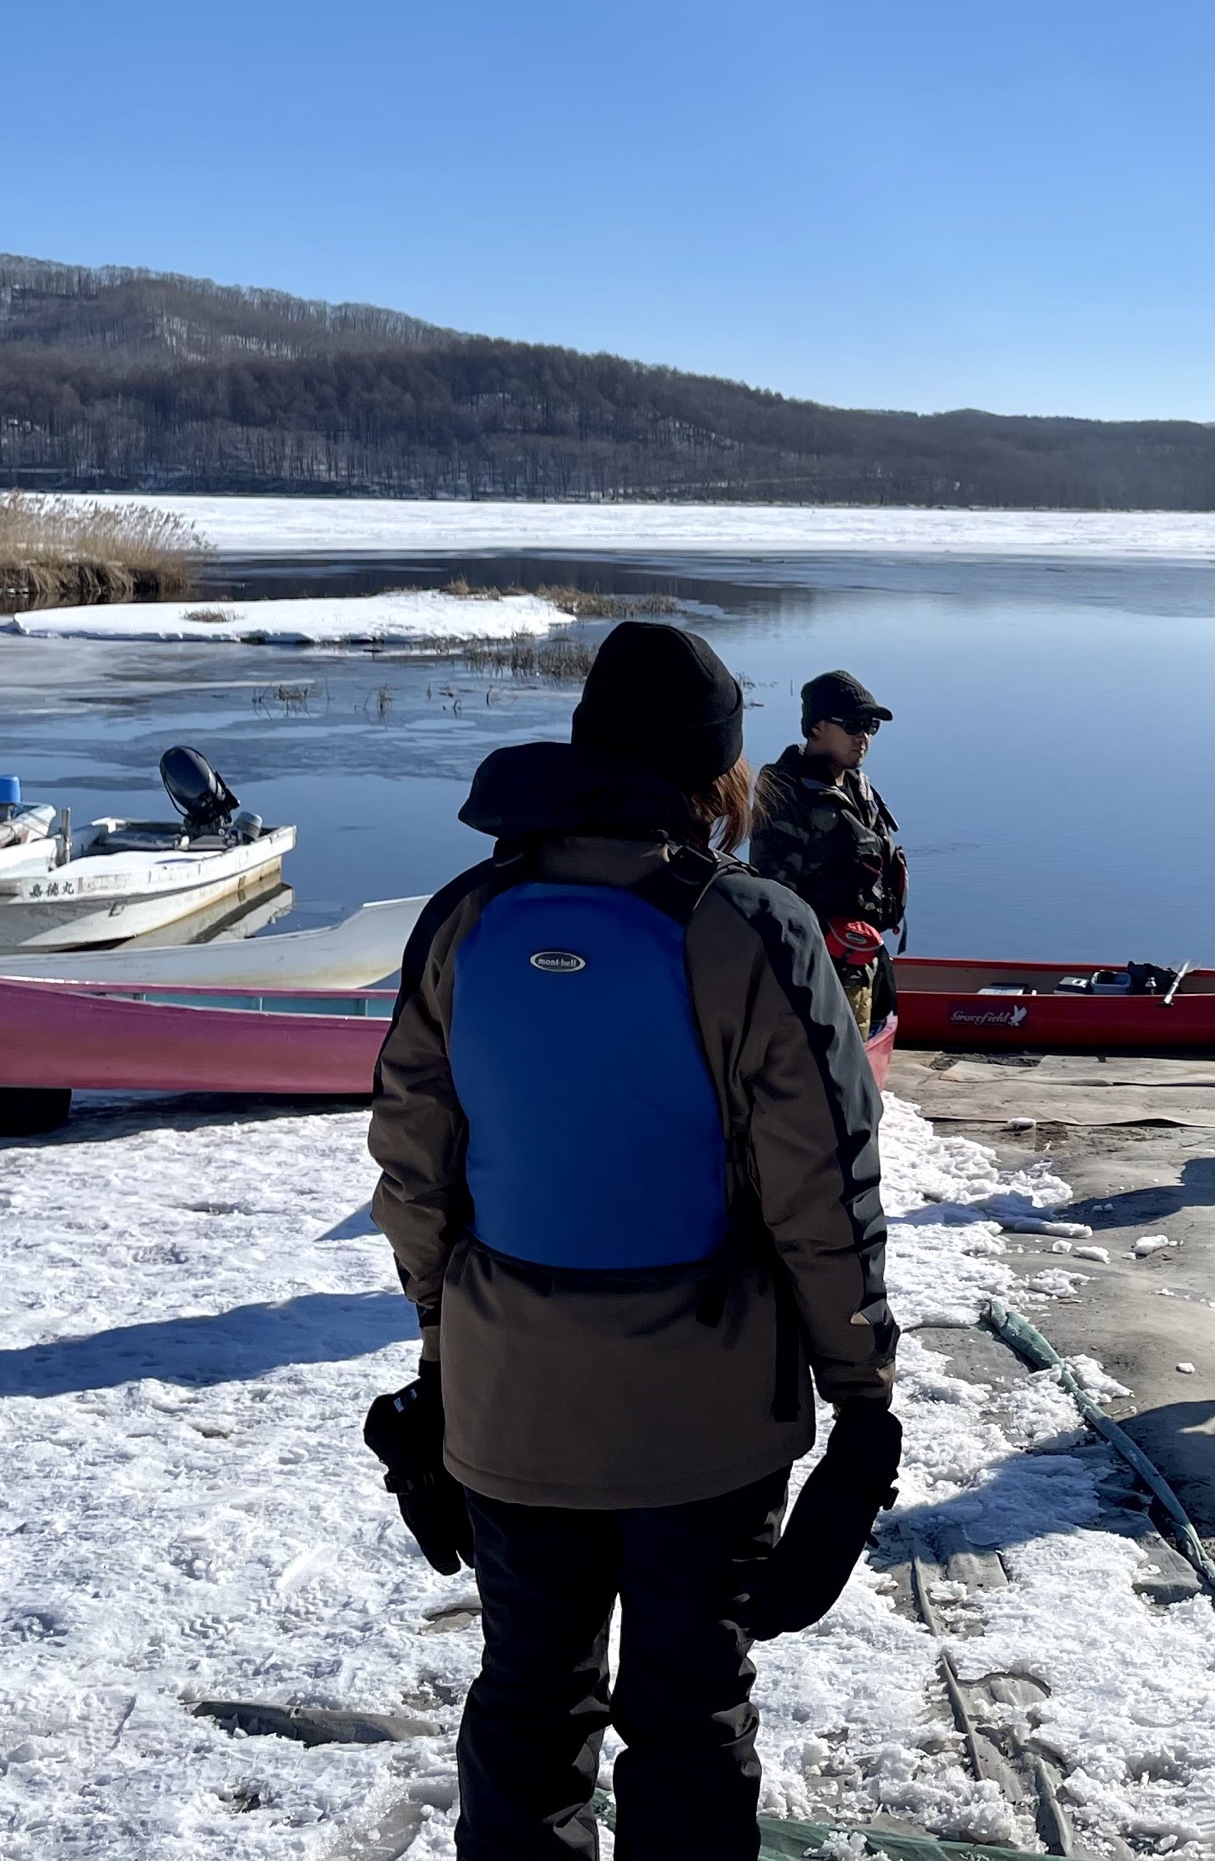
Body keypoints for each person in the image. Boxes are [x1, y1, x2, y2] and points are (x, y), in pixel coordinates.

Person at [365, 622, 899, 1861]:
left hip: (511, 1412)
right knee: (687, 1721)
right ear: (718, 775)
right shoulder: (751, 929)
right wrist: (862, 1404)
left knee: (526, 1708)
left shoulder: (465, 917)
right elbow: (824, 1191)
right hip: (703, 1430)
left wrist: (449, 1362)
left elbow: (414, 1168)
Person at [751, 669, 907, 1036]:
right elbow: (774, 899)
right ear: (816, 726)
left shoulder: (858, 786)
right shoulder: (784, 793)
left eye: (870, 726)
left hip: (866, 958)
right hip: (816, 975)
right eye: (853, 725)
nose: (863, 737)